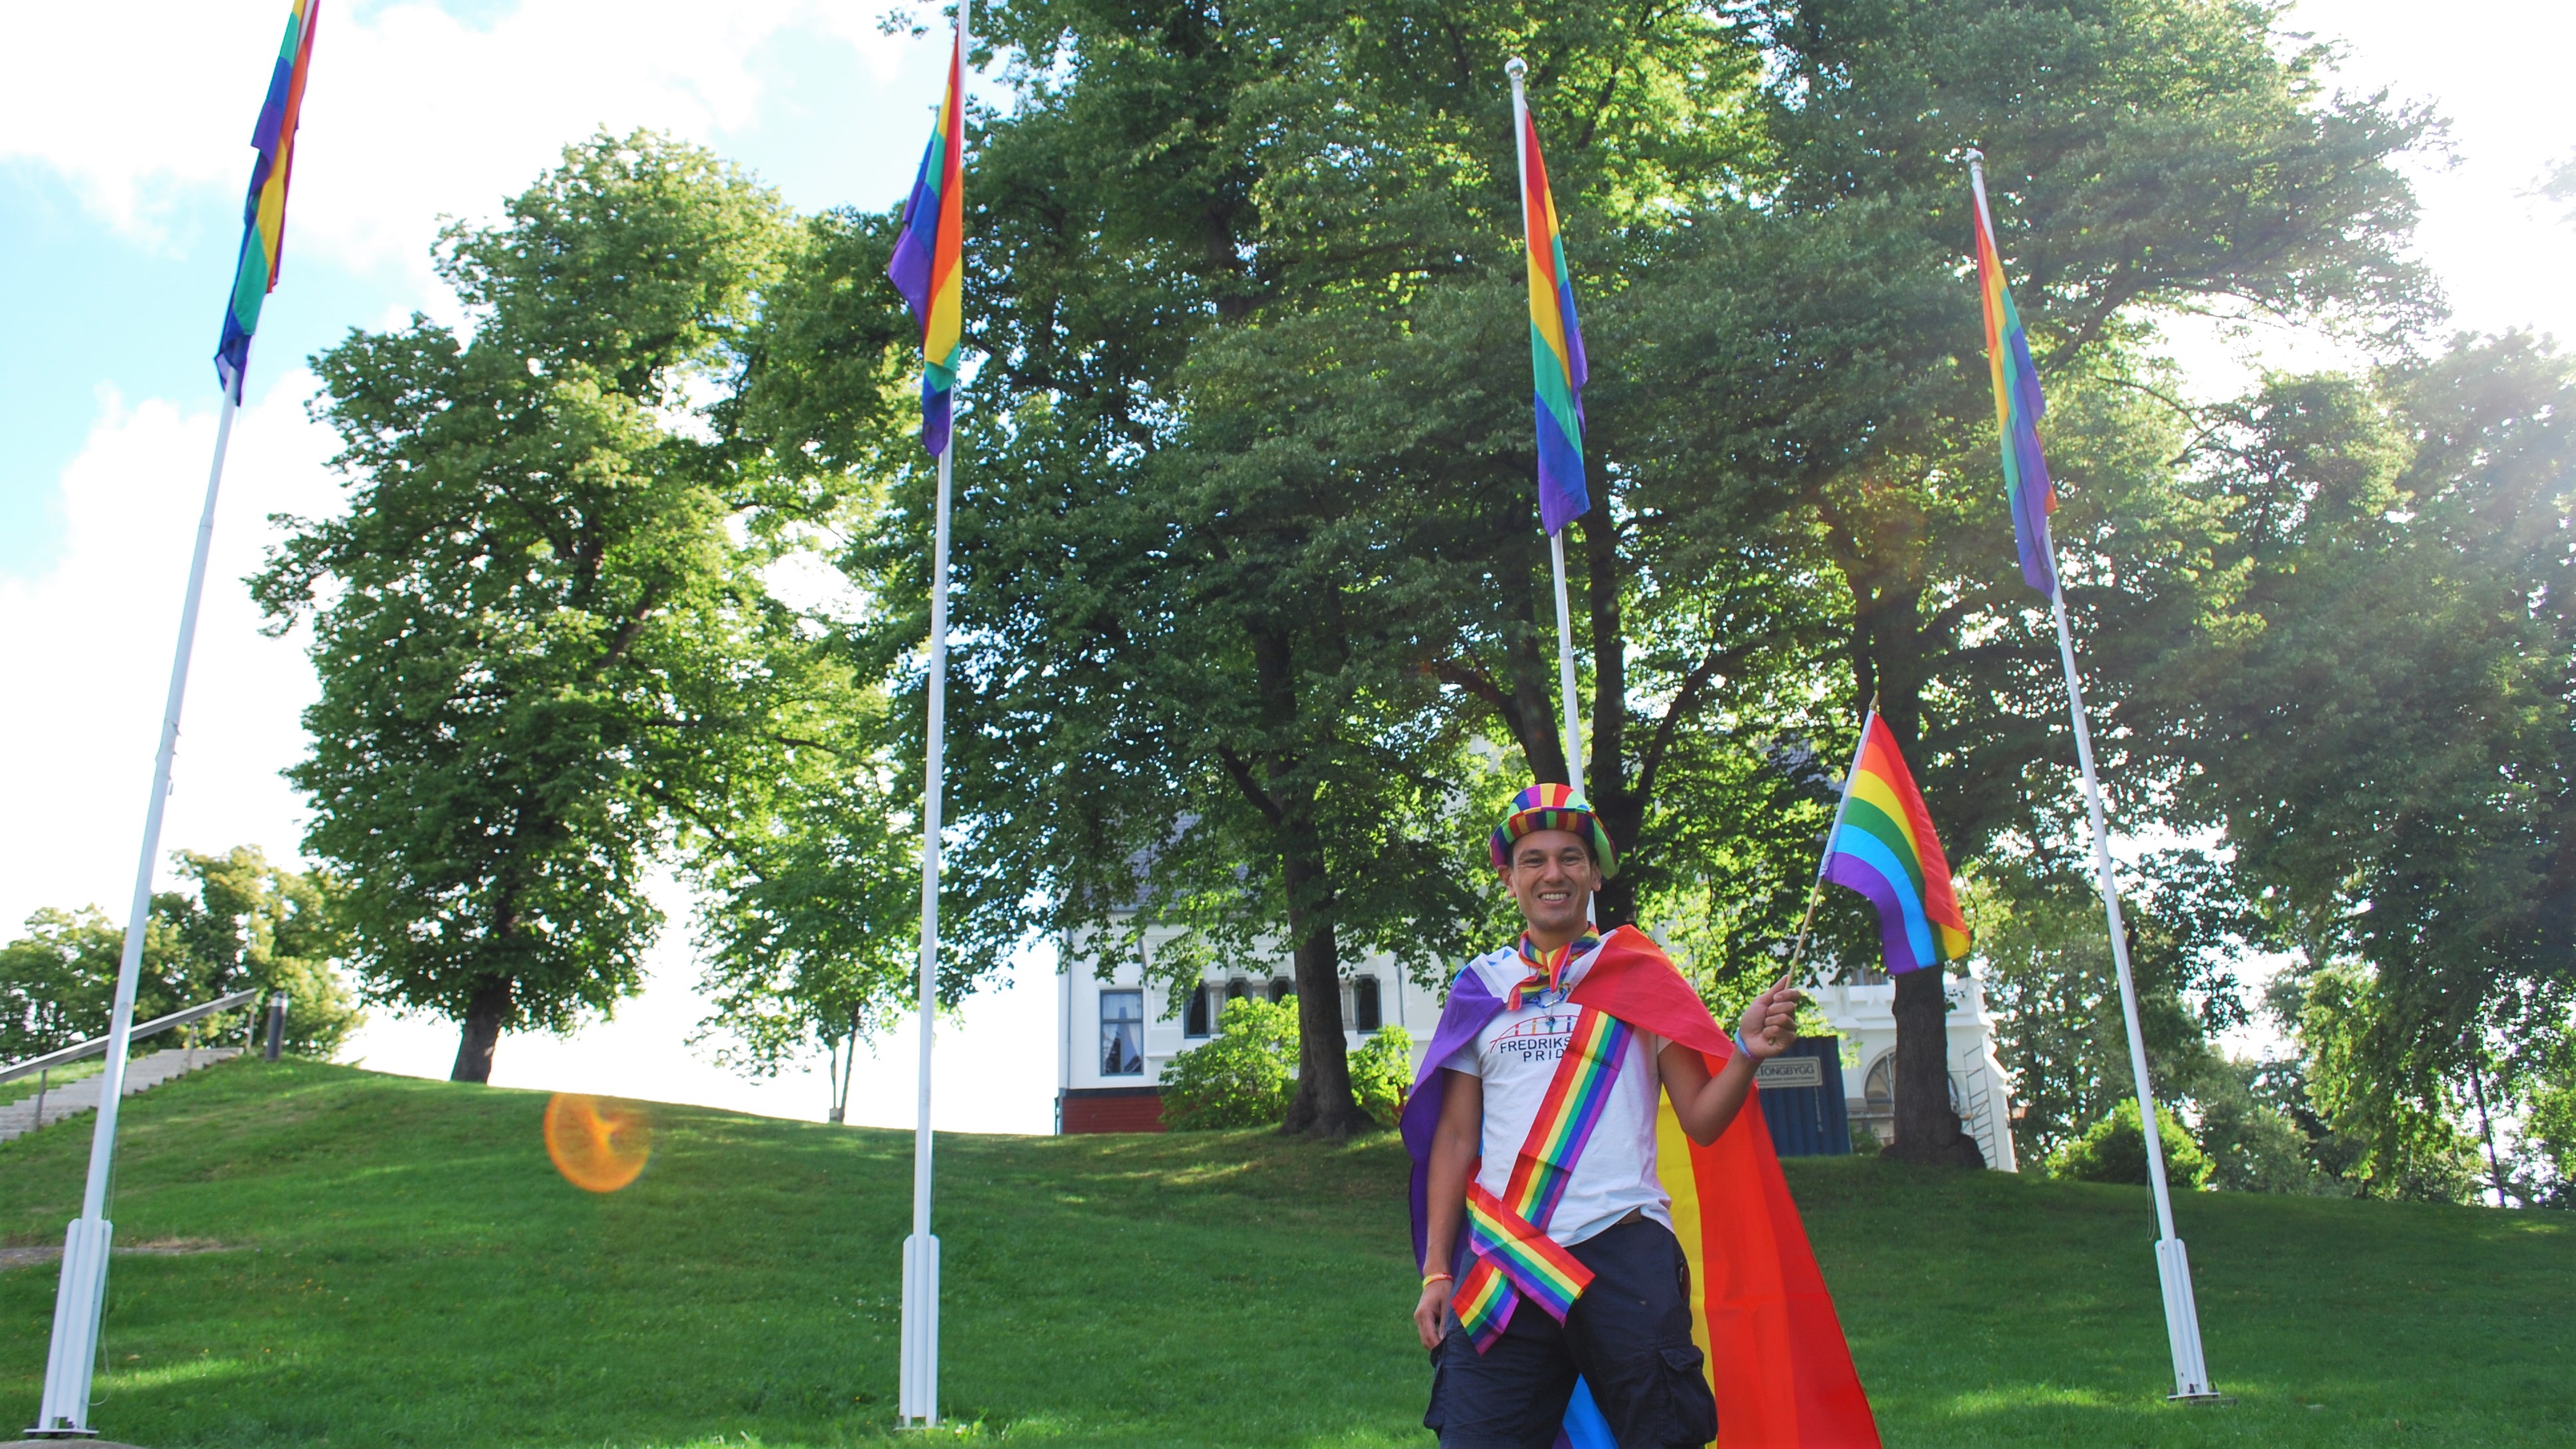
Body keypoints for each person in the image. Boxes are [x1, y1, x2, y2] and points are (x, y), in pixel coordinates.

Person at [1403, 784, 1805, 1449]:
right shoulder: (1480, 986)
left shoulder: (1639, 973)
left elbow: (1702, 1121)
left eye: (1569, 858)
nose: (1552, 874)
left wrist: (1744, 1054)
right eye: (1533, 860)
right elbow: (1452, 1139)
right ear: (1509, 879)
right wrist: (1438, 1271)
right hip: (1507, 1259)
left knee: (1663, 1437)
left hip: (1623, 1245)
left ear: (1593, 873)